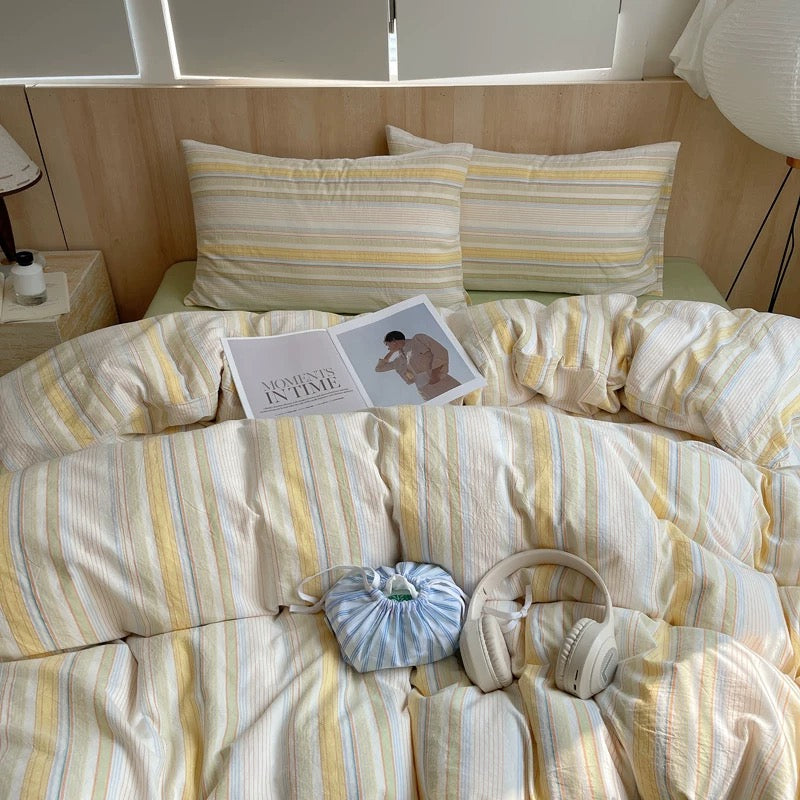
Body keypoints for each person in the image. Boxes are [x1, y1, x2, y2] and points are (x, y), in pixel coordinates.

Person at [375, 330, 461, 401]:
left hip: (441, 381)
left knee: (462, 401)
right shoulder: (398, 361)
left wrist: (435, 374)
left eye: (387, 344)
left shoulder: (418, 339)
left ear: (393, 341)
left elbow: (440, 351)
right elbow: (379, 369)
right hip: (425, 392)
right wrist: (391, 352)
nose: (387, 348)